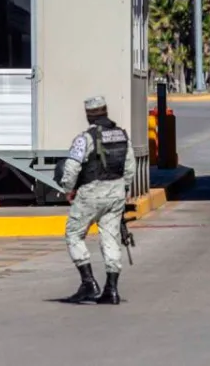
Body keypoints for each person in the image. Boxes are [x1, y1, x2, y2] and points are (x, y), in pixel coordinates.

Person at [61, 96, 136, 304]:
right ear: (105, 111)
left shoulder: (84, 138)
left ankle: (88, 282)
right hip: (116, 192)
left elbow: (71, 167)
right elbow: (130, 167)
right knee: (110, 238)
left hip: (91, 193)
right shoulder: (122, 135)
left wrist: (69, 189)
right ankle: (111, 289)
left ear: (88, 115)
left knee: (74, 233)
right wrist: (124, 188)